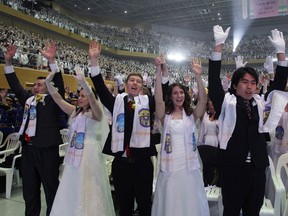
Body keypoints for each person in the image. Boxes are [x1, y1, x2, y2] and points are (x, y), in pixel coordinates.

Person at [208, 25, 288, 216]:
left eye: (253, 83)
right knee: (232, 211)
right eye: (245, 82)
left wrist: (281, 53)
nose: (250, 87)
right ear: (235, 85)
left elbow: (278, 85)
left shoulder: (261, 104)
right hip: (233, 168)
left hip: (257, 168)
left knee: (253, 211)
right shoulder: (226, 103)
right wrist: (218, 46)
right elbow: (213, 80)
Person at [89, 40, 169, 216]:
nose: (135, 83)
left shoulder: (148, 103)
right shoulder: (116, 102)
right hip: (121, 164)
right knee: (124, 207)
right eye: (132, 80)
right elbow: (101, 90)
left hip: (142, 164)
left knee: (145, 206)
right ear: (126, 84)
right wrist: (94, 62)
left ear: (142, 86)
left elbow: (162, 91)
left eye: (139, 81)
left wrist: (162, 70)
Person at [4, 42, 64, 216]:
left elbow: (58, 82)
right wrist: (8, 62)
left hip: (47, 151)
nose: (35, 87)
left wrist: (52, 61)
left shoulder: (53, 101)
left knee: (51, 190)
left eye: (40, 85)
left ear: (49, 88)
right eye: (35, 85)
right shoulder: (28, 100)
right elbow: (14, 84)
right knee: (29, 191)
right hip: (28, 150)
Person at [45, 68, 115, 216]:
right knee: (73, 185)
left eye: (84, 96)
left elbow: (93, 101)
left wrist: (84, 83)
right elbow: (58, 100)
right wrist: (48, 83)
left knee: (88, 187)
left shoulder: (96, 113)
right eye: (79, 95)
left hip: (89, 154)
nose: (80, 98)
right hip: (74, 153)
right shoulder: (76, 111)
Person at [152, 57, 209, 216]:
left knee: (189, 201)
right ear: (170, 96)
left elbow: (203, 101)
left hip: (188, 165)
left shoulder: (191, 115)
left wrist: (198, 76)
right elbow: (158, 99)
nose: (179, 95)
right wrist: (158, 71)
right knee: (171, 200)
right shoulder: (165, 116)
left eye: (181, 92)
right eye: (175, 93)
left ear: (185, 95)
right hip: (170, 166)